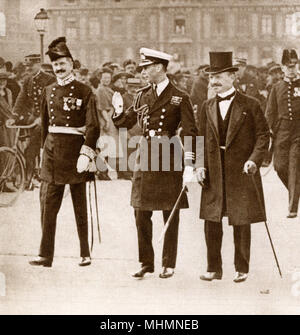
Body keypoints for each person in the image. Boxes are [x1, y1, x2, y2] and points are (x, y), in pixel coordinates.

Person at [113, 47, 199, 279]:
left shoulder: (180, 96)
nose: (143, 72)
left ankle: (168, 263)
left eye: (147, 68)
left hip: (169, 156)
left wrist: (190, 165)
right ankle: (146, 262)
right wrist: (118, 111)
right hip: (145, 156)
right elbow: (126, 123)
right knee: (141, 211)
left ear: (159, 68)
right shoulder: (142, 95)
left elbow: (191, 131)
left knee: (169, 212)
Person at [197, 52, 269, 283]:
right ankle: (213, 268)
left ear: (231, 77)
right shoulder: (207, 106)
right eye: (211, 77)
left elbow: (263, 136)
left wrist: (254, 160)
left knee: (241, 219)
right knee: (211, 220)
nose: (213, 82)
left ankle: (242, 268)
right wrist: (199, 165)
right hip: (214, 170)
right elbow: (200, 138)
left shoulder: (251, 104)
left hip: (241, 169)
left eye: (218, 76)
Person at [29, 37, 99, 268]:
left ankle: (85, 253)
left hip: (75, 153)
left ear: (71, 64)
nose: (59, 68)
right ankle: (45, 255)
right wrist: (42, 153)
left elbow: (93, 126)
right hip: (51, 153)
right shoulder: (49, 90)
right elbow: (45, 125)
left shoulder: (84, 90)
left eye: (63, 63)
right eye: (56, 65)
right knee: (48, 206)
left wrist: (86, 153)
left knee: (80, 206)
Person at [265, 49, 300, 218]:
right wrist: (269, 131)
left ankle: (292, 207)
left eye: (294, 66)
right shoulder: (276, 88)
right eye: (288, 66)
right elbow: (270, 112)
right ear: (283, 68)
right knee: (279, 167)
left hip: (298, 133)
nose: (291, 69)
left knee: (294, 166)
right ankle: (296, 190)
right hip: (281, 133)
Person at [13, 54, 55, 190]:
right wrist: (13, 116)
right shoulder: (27, 80)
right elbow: (21, 99)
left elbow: (52, 102)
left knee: (31, 149)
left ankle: (29, 179)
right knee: (29, 147)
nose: (28, 69)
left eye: (31, 66)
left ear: (39, 64)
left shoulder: (49, 79)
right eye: (27, 66)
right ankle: (33, 175)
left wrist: (42, 118)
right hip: (33, 119)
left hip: (48, 120)